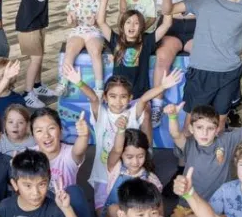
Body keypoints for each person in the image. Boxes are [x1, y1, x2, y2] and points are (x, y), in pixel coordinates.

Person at [161, 0, 242, 131]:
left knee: (220, 122)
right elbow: (168, 9)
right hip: (201, 70)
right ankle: (186, 159)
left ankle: (214, 159)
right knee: (192, 120)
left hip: (229, 72)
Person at [61, 69, 182, 207]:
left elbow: (144, 99)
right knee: (103, 210)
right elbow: (93, 98)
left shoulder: (132, 113)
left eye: (123, 96)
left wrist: (163, 86)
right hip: (104, 174)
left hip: (130, 172)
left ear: (130, 98)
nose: (118, 101)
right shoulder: (101, 114)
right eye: (113, 96)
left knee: (133, 207)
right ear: (105, 97)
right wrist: (79, 82)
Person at [9, 0, 82, 107]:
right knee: (36, 58)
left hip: (41, 21)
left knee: (40, 57)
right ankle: (28, 93)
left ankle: (37, 85)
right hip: (27, 23)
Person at [164, 102, 242, 207]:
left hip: (219, 205)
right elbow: (175, 134)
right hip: (189, 204)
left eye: (210, 128)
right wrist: (172, 117)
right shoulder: (189, 144)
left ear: (217, 129)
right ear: (191, 129)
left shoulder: (226, 141)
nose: (205, 133)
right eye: (199, 127)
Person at [58, 0, 107, 95]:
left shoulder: (100, 0)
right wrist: (71, 19)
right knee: (70, 50)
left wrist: (95, 21)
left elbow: (102, 21)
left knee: (95, 51)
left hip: (94, 31)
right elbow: (73, 24)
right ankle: (63, 82)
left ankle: (99, 86)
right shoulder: (73, 1)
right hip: (78, 31)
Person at [100, 128, 164, 217]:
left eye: (140, 156)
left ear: (146, 154)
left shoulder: (150, 179)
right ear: (121, 155)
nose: (135, 162)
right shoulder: (115, 168)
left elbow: (159, 210)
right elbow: (117, 150)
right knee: (113, 209)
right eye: (129, 157)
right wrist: (121, 131)